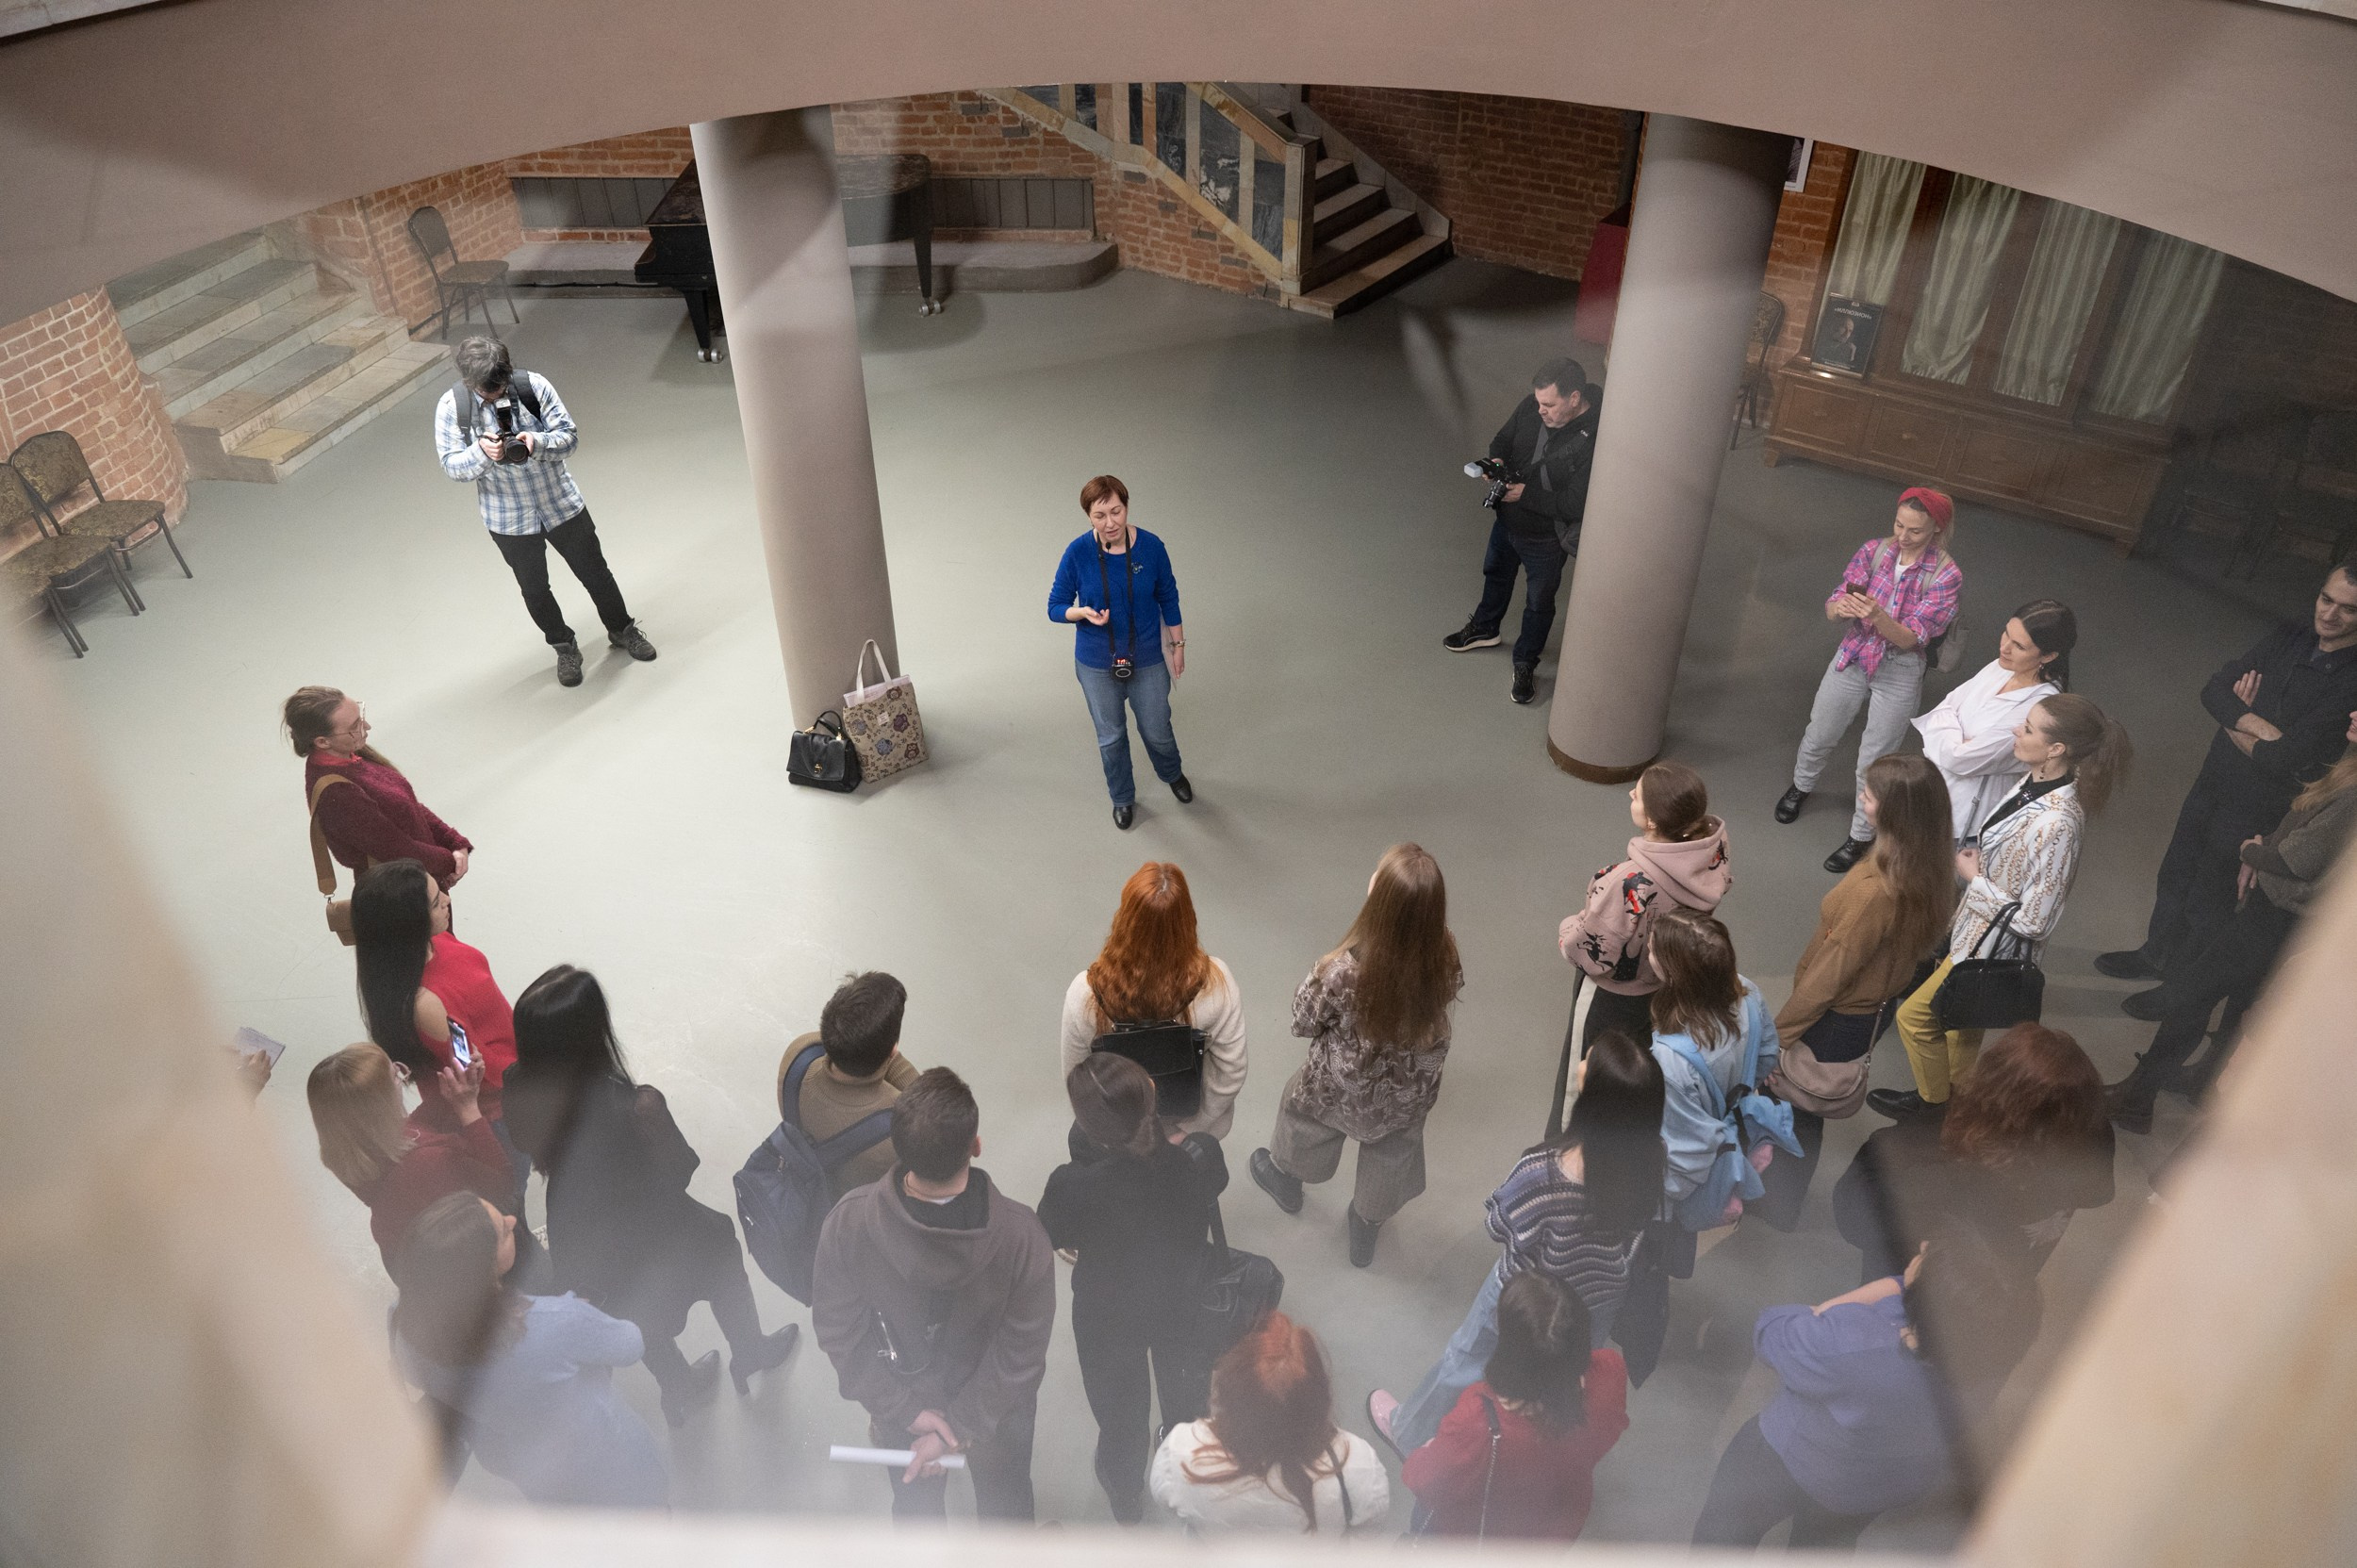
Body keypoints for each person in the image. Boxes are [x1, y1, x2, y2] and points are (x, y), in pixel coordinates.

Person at [498, 966, 798, 1429]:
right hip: (649, 1222)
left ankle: (678, 1388)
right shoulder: (636, 1106)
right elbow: (679, 1171)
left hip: (579, 1229)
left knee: (633, 1308)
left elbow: (521, 1142)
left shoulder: (518, 1085)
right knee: (721, 1248)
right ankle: (750, 1351)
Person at [1371, 1029, 1662, 1454]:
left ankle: (1409, 1431)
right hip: (1596, 1297)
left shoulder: (1546, 1172)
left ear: (1595, 1099)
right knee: (1562, 1373)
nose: (1581, 1064)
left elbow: (1499, 1225)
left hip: (1528, 1291)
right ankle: (1530, 1447)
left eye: (1588, 1062)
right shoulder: (1652, 1161)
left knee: (1467, 1358)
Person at [2098, 557, 2357, 1009]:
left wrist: (2235, 718)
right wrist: (2258, 725)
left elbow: (2287, 758)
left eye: (2348, 609)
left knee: (2213, 897)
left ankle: (2179, 993)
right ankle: (2157, 954)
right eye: (2325, 599)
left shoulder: (2351, 680)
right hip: (2218, 777)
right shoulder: (2293, 634)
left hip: (2264, 801)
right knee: (2178, 868)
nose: (2329, 614)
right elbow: (2215, 689)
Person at [1689, 1226, 2040, 1549]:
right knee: (1821, 1548)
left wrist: (1873, 1294)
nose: (1922, 1246)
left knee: (1723, 1537)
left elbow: (1772, 1332)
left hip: (1792, 1458)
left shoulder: (1855, 1344)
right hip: (1877, 1487)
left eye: (1930, 1256)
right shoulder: (1994, 1351)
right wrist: (1910, 1287)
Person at [1871, 694, 2133, 1122]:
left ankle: (1932, 1107)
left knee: (1915, 1019)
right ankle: (1958, 1106)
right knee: (1960, 1030)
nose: (2016, 730)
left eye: (2028, 728)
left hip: (1991, 948)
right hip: (1974, 932)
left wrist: (1976, 880)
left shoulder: (2059, 822)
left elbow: (2036, 920)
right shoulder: (2032, 781)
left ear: (2056, 749)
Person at [810, 1067, 1055, 1524]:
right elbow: (1021, 1353)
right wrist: (958, 1428)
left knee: (916, 1513)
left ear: (897, 1148)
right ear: (976, 1146)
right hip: (996, 1409)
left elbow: (838, 1332)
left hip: (903, 1396)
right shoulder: (1023, 1237)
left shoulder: (847, 1224)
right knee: (1006, 1510)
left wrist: (904, 1411)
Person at [2104, 710, 2357, 1133]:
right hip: (2286, 920)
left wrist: (2249, 851)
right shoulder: (2349, 767)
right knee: (2239, 1001)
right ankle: (2202, 1083)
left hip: (2277, 918)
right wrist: (2264, 845)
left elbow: (2295, 860)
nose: (2352, 712)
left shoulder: (2352, 793)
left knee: (2192, 994)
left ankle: (2137, 1099)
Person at [1756, 755, 1957, 1229]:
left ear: (1895, 812)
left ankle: (1778, 1206)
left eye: (1868, 795)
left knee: (1798, 1107)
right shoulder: (1924, 863)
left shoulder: (1874, 893)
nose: (1860, 798)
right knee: (1803, 1110)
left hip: (1835, 1017)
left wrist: (1775, 1040)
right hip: (1873, 1007)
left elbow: (1829, 977)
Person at [1247, 843, 1462, 1267]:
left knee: (1304, 1118)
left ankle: (1288, 1180)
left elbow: (1302, 1021)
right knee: (1392, 1150)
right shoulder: (1445, 951)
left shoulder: (1340, 970)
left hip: (1340, 1084)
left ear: (1379, 902)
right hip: (1407, 1090)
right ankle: (1367, 1224)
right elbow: (1451, 988)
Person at [1037, 1055, 1228, 1524]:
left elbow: (1052, 1232)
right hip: (1180, 1296)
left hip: (1109, 1311)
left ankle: (1125, 1493)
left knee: (1120, 1411)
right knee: (1185, 1390)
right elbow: (1214, 1185)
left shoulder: (1072, 1184)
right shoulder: (1198, 1157)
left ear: (1088, 1130)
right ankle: (1183, 1462)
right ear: (1152, 1097)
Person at [392, 1192, 668, 1508]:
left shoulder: (404, 1330)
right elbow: (630, 1344)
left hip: (528, 1468)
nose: (512, 1220)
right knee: (649, 1515)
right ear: (483, 1268)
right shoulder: (556, 1320)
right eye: (504, 1232)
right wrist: (574, 1314)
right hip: (602, 1458)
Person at [1617, 909, 1785, 1385]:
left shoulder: (1672, 1059)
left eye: (1654, 948)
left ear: (1675, 973)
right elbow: (1767, 1058)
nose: (1648, 950)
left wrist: (1656, 1206)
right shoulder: (1747, 991)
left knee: (1647, 1266)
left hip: (1678, 1177)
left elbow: (1683, 1156)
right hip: (1730, 1128)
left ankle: (1639, 1353)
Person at [434, 335, 656, 686]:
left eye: (500, 387)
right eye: (486, 391)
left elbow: (569, 437)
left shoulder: (532, 386)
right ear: (468, 379)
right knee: (535, 590)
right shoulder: (452, 407)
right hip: (508, 519)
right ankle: (564, 647)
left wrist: (536, 442)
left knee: (596, 574)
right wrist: (482, 453)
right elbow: (451, 466)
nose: (494, 394)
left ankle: (622, 629)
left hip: (561, 503)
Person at [1775, 487, 1964, 874]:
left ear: (1936, 529)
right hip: (1855, 654)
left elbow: (1911, 639)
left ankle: (1861, 834)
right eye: (1898, 524)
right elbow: (1833, 606)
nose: (1902, 536)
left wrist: (1877, 616)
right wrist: (1840, 607)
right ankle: (1801, 785)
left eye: (1915, 530)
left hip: (1901, 669)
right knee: (1820, 731)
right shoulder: (1873, 551)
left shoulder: (1946, 576)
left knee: (1875, 760)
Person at [1836, 1022, 2115, 1279]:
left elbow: (1854, 1216)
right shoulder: (2093, 1139)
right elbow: (2098, 1194)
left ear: (1991, 1083)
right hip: (2002, 1286)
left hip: (1916, 1291)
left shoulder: (1931, 1156)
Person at [1396, 1274, 1629, 1542]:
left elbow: (1426, 1484)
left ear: (1510, 1352)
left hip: (1472, 1537)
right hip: (1551, 1531)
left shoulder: (1478, 1419)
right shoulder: (1611, 1371)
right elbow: (1606, 1434)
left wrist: (1425, 1452)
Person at [1441, 357, 1603, 706]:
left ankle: (1526, 660)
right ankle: (1485, 628)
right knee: (1496, 574)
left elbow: (1575, 503)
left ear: (1574, 398)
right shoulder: (1532, 405)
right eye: (1538, 401)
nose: (1540, 409)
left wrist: (1524, 494)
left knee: (1538, 602)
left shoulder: (1595, 440)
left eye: (1549, 404)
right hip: (1507, 521)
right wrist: (1497, 461)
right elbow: (1503, 439)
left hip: (1545, 538)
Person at [1150, 1312, 1390, 1534]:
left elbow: (1166, 1500)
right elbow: (1367, 1529)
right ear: (1320, 1398)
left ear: (1228, 1393)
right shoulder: (1357, 1467)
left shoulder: (1183, 1453)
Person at [1060, 862, 1247, 1140]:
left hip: (1118, 1137)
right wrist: (1187, 1132)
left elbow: (1078, 1080)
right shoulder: (1217, 984)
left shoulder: (1085, 994)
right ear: (1187, 921)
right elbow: (1231, 1071)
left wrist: (1123, 1140)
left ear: (1125, 920)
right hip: (1190, 1134)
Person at [1046, 473, 1191, 829]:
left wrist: (1177, 645)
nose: (1110, 523)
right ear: (1088, 517)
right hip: (1096, 663)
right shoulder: (1077, 552)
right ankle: (1122, 797)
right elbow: (1055, 607)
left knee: (1157, 728)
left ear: (1126, 507)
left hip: (1148, 657)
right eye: (1100, 515)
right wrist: (1081, 613)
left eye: (1116, 511)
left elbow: (1168, 597)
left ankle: (1172, 773)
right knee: (1110, 738)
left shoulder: (1152, 547)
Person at [1558, 761, 1732, 1051]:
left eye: (1637, 795)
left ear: (1652, 820)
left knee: (1594, 1060)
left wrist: (1568, 928)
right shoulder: (1713, 852)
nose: (1630, 794)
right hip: (1664, 982)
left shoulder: (1629, 882)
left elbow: (1587, 953)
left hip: (1614, 996)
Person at [306, 1041, 517, 1273]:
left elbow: (415, 1126)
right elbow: (502, 1184)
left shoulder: (352, 1150)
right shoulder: (430, 1161)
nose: (402, 1075)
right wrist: (468, 1108)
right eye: (395, 1076)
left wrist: (455, 1088)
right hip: (482, 1263)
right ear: (382, 1104)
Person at [351, 860, 517, 1148]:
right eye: (436, 902)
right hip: (499, 1114)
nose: (447, 901)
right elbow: (485, 1076)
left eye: (441, 892)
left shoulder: (436, 941)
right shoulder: (426, 1005)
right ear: (410, 923)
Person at [1913, 600, 2075, 841]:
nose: (2004, 648)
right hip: (1928, 793)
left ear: (2049, 655)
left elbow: (1960, 759)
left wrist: (1949, 734)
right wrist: (1959, 741)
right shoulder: (2001, 667)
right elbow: (1942, 708)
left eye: (2019, 646)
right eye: (2006, 633)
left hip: (1961, 822)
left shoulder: (2040, 705)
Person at [286, 686, 470, 890]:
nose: (367, 726)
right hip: (402, 893)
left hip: (420, 880)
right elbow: (397, 850)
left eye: (361, 716)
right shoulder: (337, 792)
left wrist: (454, 842)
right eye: (355, 726)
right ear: (322, 741)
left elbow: (407, 807)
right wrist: (451, 862)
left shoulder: (352, 754)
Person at [779, 970, 920, 1198]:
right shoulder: (900, 1130)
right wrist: (888, 1051)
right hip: (847, 1205)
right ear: (893, 1050)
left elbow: (841, 1041)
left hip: (797, 1176)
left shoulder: (798, 1054)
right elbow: (932, 1106)